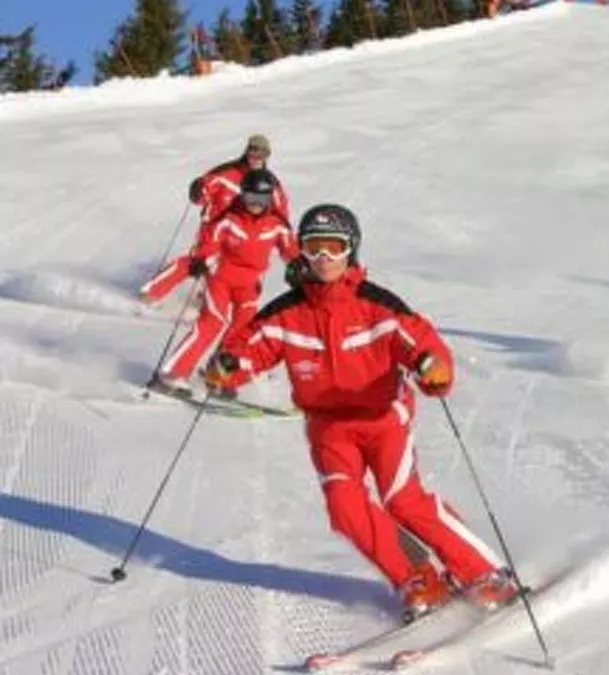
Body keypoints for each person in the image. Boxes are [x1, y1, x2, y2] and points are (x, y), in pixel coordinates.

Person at [204, 203, 518, 622]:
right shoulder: (286, 312)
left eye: (333, 248)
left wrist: (433, 369)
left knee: (402, 500)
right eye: (314, 248)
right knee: (345, 509)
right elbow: (249, 349)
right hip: (329, 428)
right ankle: (418, 578)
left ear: (351, 249)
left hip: (383, 418)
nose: (323, 259)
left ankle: (484, 572)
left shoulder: (378, 306)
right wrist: (227, 367)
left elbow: (420, 342)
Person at [147, 168, 297, 397]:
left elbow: (290, 250)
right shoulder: (229, 218)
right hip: (221, 279)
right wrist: (203, 260)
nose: (255, 204)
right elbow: (210, 241)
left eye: (262, 199)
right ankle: (172, 375)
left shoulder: (276, 224)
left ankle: (217, 375)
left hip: (249, 284)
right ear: (242, 195)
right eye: (251, 198)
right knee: (212, 323)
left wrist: (300, 267)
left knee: (243, 332)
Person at [140, 134, 292, 306]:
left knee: (228, 274)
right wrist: (197, 190)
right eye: (253, 151)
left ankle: (206, 302)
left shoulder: (269, 183)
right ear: (246, 151)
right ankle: (151, 293)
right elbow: (201, 195)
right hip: (213, 231)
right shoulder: (225, 173)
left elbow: (280, 212)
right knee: (195, 264)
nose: (256, 157)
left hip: (244, 235)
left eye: (262, 154)